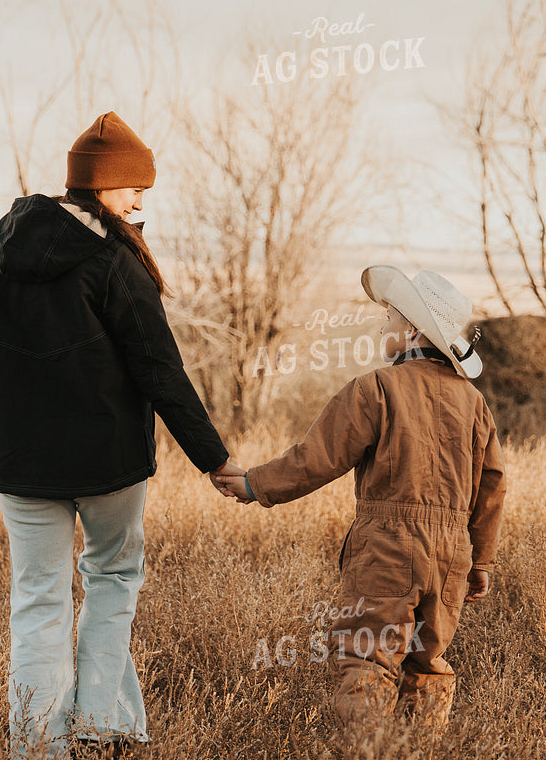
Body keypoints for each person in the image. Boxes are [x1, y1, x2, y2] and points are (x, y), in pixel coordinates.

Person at [0, 110, 243, 760]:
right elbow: (161, 371)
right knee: (113, 579)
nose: (141, 202)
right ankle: (101, 719)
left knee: (38, 606)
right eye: (133, 188)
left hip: (22, 465)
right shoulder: (116, 261)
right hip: (110, 465)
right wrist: (215, 459)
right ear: (100, 186)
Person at [214, 266, 505, 728]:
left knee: (368, 657)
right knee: (426, 663)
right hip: (452, 556)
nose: (381, 327)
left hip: (388, 548)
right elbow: (491, 484)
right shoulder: (474, 403)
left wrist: (254, 484)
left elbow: (317, 456)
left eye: (388, 319)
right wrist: (482, 560)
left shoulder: (376, 388)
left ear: (411, 330)